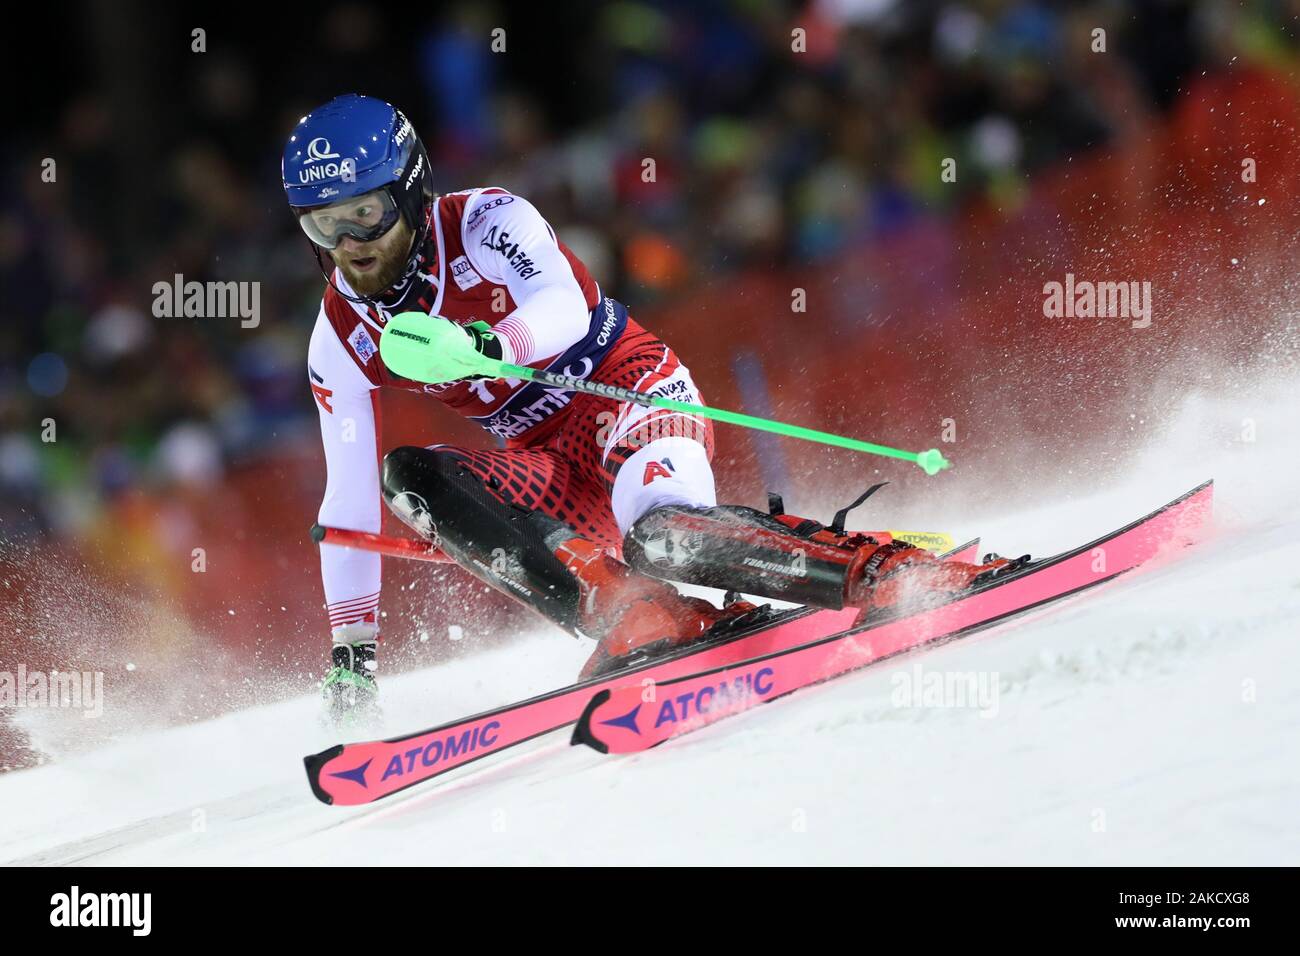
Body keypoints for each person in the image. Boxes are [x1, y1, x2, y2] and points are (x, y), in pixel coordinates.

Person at [282, 94, 1010, 722]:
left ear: (407, 194)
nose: (350, 246)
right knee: (408, 474)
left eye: (366, 215)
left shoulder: (485, 222)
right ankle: (640, 613)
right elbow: (345, 495)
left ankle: (885, 570)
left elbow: (566, 302)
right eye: (323, 226)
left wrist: (493, 345)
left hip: (627, 395)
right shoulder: (339, 339)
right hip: (546, 464)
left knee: (662, 536)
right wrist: (353, 657)